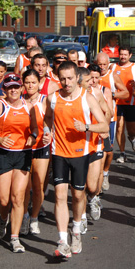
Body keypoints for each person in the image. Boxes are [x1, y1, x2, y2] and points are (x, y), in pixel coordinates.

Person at [43, 61, 109, 258]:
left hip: (81, 153)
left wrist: (87, 127)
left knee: (78, 195)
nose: (66, 82)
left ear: (77, 78)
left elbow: (104, 126)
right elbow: (47, 118)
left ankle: (77, 230)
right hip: (59, 153)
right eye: (62, 78)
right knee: (60, 196)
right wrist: (48, 131)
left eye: (70, 78)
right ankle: (62, 240)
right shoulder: (53, 98)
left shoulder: (87, 98)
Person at [0, 73, 35, 253]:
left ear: (22, 88)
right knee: (4, 200)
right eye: (9, 87)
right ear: (4, 89)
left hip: (23, 154)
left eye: (16, 86)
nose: (13, 90)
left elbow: (35, 128)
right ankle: (3, 219)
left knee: (18, 198)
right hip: (4, 154)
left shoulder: (29, 106)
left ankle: (15, 238)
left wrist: (33, 137)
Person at [78, 66, 112, 230]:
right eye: (89, 79)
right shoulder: (71, 95)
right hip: (77, 144)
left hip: (95, 140)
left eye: (94, 79)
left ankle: (93, 198)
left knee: (92, 185)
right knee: (79, 185)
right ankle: (81, 217)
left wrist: (103, 128)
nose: (92, 82)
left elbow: (107, 112)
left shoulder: (96, 93)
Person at [20, 69, 49, 236]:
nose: (30, 85)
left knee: (38, 186)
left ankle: (35, 218)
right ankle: (24, 216)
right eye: (27, 82)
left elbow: (49, 120)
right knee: (24, 187)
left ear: (39, 84)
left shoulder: (45, 101)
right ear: (23, 84)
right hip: (23, 149)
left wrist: (47, 132)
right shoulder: (19, 101)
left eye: (34, 82)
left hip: (40, 147)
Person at [95, 52, 129, 191]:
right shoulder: (90, 75)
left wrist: (110, 94)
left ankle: (105, 172)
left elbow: (126, 93)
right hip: (93, 119)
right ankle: (96, 177)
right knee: (97, 150)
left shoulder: (112, 76)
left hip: (111, 119)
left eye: (104, 64)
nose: (102, 67)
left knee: (108, 151)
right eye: (99, 64)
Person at [112, 46, 135, 163]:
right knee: (119, 128)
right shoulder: (113, 67)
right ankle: (122, 153)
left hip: (131, 102)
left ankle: (132, 138)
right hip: (117, 102)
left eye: (125, 54)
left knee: (132, 130)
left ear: (130, 55)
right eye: (121, 54)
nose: (123, 57)